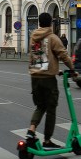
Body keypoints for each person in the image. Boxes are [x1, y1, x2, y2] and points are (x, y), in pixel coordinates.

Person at [25, 12, 75, 148]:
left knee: (40, 106)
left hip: (35, 76)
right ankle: (47, 140)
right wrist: (73, 69)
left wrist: (55, 69)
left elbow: (39, 56)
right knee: (51, 108)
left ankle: (31, 130)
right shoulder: (53, 38)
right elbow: (63, 55)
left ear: (39, 23)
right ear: (51, 23)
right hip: (48, 79)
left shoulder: (33, 37)